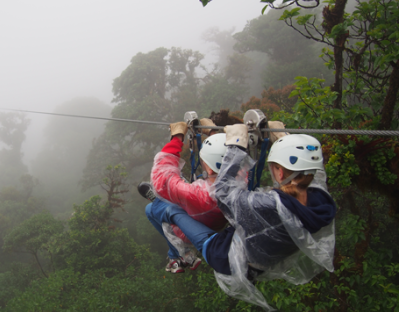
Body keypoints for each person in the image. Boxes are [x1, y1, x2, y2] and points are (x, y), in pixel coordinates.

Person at [154, 123, 336, 311]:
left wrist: (236, 146)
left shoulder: (266, 206)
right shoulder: (320, 205)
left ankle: (177, 255)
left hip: (222, 254)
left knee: (170, 211)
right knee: (169, 210)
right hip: (253, 258)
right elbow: (316, 175)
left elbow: (223, 192)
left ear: (280, 172)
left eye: (273, 167)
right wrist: (283, 138)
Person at [140, 118, 228, 273]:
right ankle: (181, 254)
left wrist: (177, 137)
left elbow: (163, 178)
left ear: (210, 169)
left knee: (152, 209)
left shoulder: (198, 194)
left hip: (190, 229)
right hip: (216, 223)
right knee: (180, 187)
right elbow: (230, 158)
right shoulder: (239, 181)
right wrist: (214, 133)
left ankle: (178, 254)